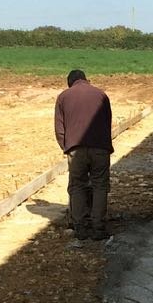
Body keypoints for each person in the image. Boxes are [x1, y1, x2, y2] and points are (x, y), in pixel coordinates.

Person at [54, 69, 113, 242]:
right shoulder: (101, 95)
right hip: (100, 148)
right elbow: (107, 122)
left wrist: (67, 148)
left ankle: (79, 227)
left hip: (76, 148)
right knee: (100, 185)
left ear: (70, 82)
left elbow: (59, 129)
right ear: (86, 79)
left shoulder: (63, 97)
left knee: (77, 185)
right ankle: (98, 227)